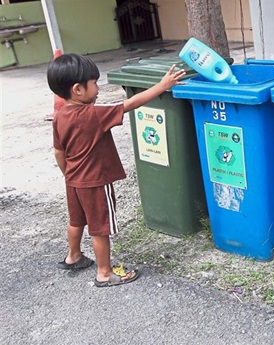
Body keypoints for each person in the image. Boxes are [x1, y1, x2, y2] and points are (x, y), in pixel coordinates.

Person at [47, 54, 185, 287]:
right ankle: (104, 272)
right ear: (78, 89)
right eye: (94, 84)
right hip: (95, 181)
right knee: (100, 228)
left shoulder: (59, 115)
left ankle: (73, 256)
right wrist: (162, 86)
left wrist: (68, 175)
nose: (98, 89)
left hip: (73, 180)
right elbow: (129, 104)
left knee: (76, 220)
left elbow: (58, 152)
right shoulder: (92, 114)